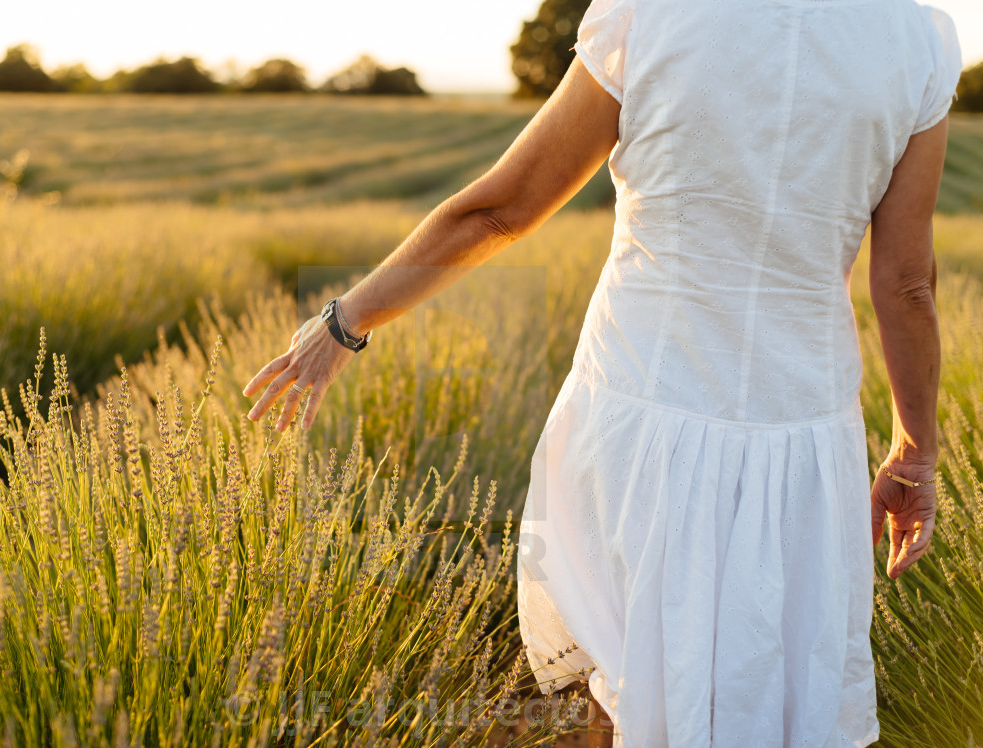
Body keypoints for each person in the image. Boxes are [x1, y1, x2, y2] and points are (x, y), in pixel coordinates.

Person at [243, 0, 962, 744]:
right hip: (804, 444)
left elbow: (501, 209)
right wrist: (916, 453)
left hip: (641, 417)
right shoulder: (918, 41)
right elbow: (907, 285)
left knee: (625, 688)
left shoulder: (649, 14)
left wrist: (346, 322)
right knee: (774, 698)